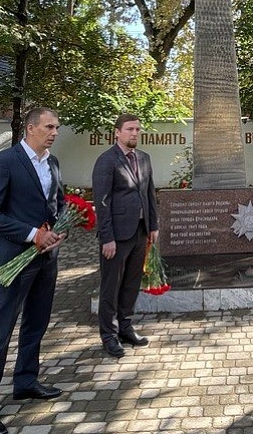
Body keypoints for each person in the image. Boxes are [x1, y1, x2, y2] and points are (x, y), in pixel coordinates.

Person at [0, 108, 67, 434]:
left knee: (36, 323)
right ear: (30, 128)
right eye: (49, 126)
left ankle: (26, 380)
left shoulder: (52, 162)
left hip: (47, 258)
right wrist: (33, 234)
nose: (54, 132)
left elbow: (59, 203)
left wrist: (61, 227)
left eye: (57, 127)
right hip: (14, 259)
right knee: (0, 330)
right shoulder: (4, 162)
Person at [93, 113, 160, 358]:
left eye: (137, 129)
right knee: (111, 286)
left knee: (132, 284)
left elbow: (149, 194)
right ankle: (108, 335)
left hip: (140, 232)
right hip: (117, 236)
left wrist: (153, 225)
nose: (134, 133)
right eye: (130, 129)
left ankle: (125, 327)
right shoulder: (106, 161)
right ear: (117, 132)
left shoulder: (144, 158)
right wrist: (106, 237)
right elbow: (102, 202)